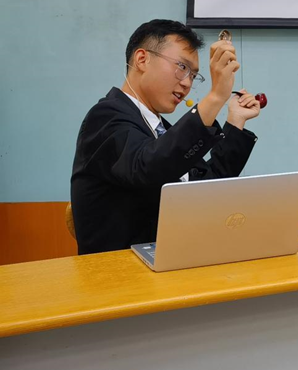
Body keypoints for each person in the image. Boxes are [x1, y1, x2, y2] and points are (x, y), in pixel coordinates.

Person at [71, 19, 262, 255]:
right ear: (142, 59)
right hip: (122, 270)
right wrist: (215, 96)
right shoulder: (105, 117)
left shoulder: (161, 129)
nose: (187, 83)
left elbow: (208, 187)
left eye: (194, 75)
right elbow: (149, 167)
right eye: (182, 67)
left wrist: (235, 121)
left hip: (175, 260)